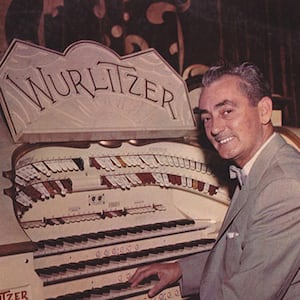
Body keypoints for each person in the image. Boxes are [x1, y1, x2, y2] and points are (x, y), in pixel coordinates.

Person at [129, 62, 300, 299]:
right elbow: (239, 250)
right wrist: (181, 269)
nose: (215, 128)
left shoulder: (284, 186)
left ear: (264, 110)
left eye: (226, 111)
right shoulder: (260, 164)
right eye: (207, 117)